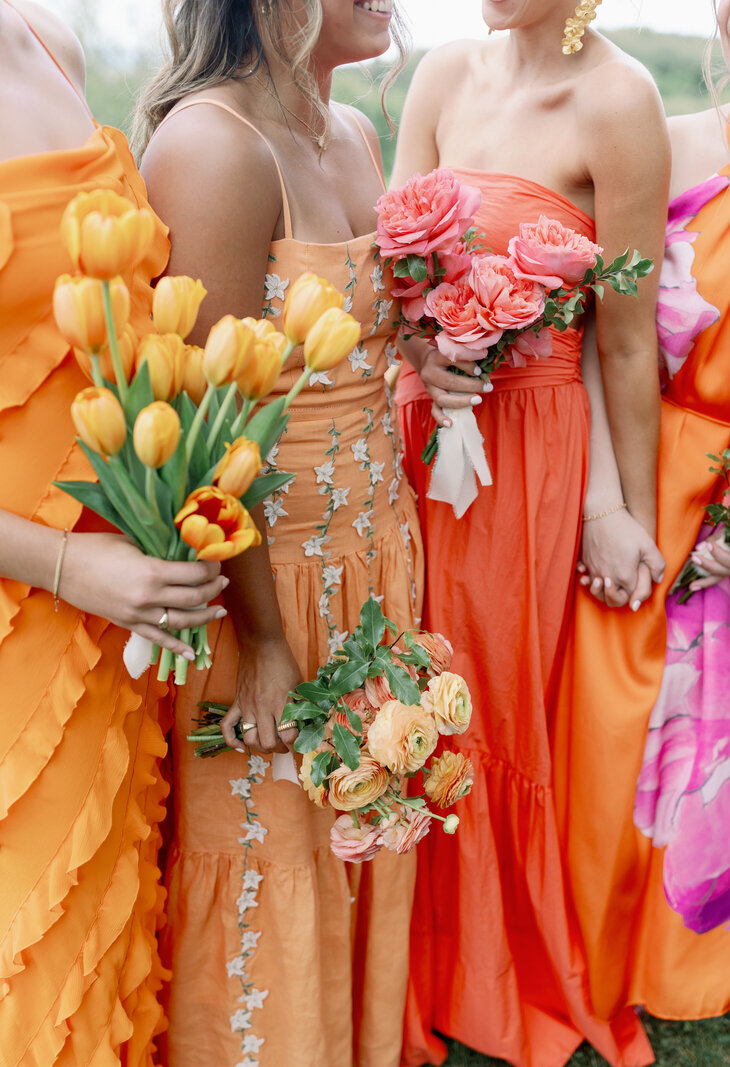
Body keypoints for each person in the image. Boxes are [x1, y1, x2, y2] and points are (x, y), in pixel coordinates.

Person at [134, 1, 423, 1063]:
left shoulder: (347, 130)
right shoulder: (214, 147)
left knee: (349, 827)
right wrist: (260, 644)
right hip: (267, 581)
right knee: (262, 851)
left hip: (375, 555)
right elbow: (203, 442)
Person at [390, 0, 668, 1064]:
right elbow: (391, 281)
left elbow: (626, 338)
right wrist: (422, 351)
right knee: (408, 670)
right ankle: (400, 946)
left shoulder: (619, 99)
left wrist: (619, 509)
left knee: (495, 687)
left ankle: (492, 960)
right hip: (423, 427)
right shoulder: (441, 77)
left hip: (535, 442)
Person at [554, 0, 730, 1032]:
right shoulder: (675, 145)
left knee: (725, 749)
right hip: (641, 469)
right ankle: (565, 957)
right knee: (603, 728)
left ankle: (689, 962)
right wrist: (605, 502)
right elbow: (589, 333)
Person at [0, 1, 229, 1063]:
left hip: (114, 600)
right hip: (29, 594)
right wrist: (65, 562)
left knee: (100, 927)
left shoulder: (50, 39)